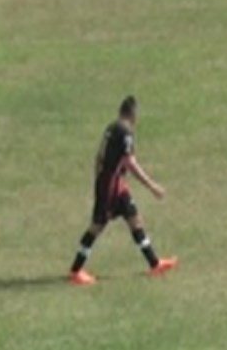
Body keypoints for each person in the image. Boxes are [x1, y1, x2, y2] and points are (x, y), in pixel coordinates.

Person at [68, 96, 177, 286]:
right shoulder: (126, 133)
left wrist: (98, 178)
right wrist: (152, 186)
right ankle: (76, 270)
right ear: (134, 115)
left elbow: (99, 156)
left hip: (115, 184)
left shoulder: (111, 128)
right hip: (111, 185)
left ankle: (154, 264)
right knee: (97, 226)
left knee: (135, 219)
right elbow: (129, 162)